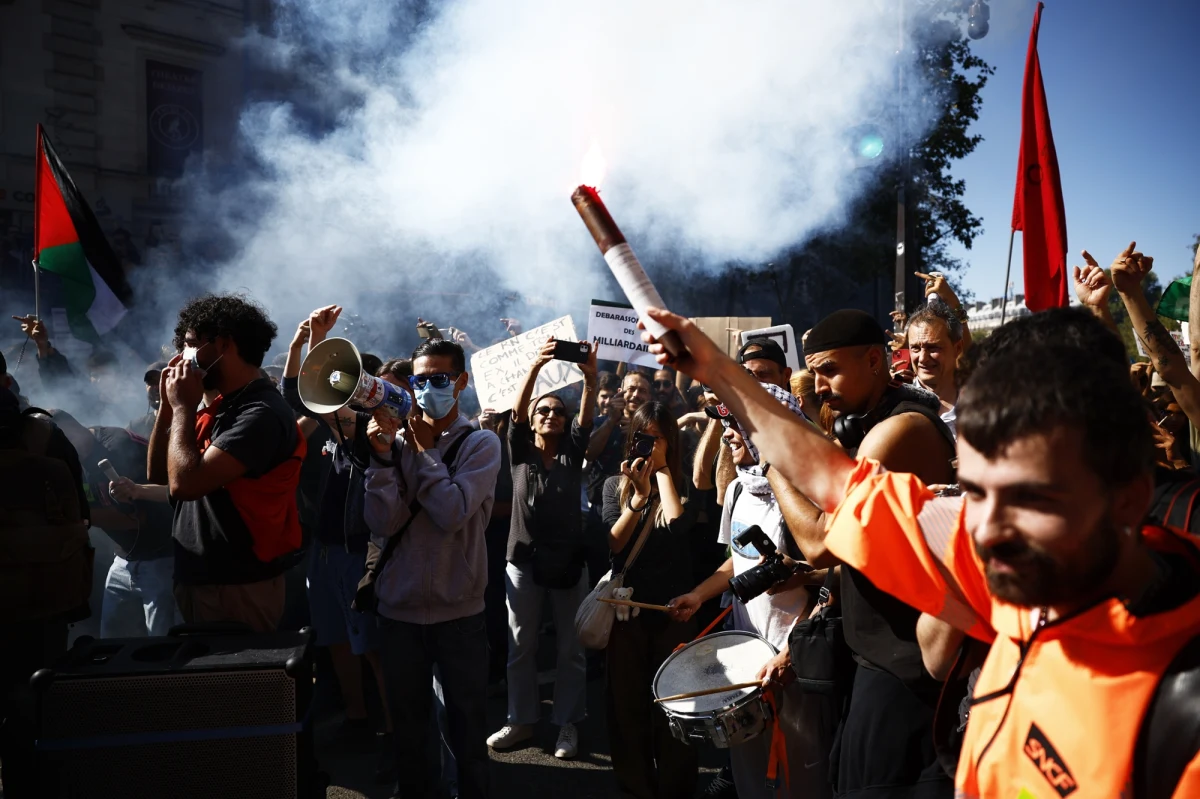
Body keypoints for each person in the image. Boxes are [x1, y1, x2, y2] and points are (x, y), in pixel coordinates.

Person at [638, 303, 1200, 799]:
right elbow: (831, 477)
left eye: (1031, 499)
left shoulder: (1179, 711)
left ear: (1127, 499)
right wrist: (715, 368)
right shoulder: (991, 550)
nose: (987, 528)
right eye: (974, 490)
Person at [657, 307, 958, 798]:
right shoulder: (859, 424)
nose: (818, 386)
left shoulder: (899, 430)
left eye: (830, 370)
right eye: (813, 372)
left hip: (906, 667)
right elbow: (853, 552)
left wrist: (766, 450)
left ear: (875, 361)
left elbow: (820, 540)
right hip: (871, 655)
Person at [668, 384, 833, 799]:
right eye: (726, 425)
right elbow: (735, 562)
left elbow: (834, 581)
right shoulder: (740, 488)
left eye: (737, 426)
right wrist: (699, 595)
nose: (727, 434)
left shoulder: (806, 496)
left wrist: (789, 655)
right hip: (747, 661)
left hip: (793, 664)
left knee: (802, 776)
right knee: (750, 775)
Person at [362, 337, 500, 799]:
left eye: (439, 379)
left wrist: (423, 454)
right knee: (411, 734)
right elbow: (382, 522)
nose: (427, 389)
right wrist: (382, 459)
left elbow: (452, 511)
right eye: (420, 380)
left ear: (460, 382)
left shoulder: (481, 443)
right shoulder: (398, 441)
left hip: (459, 614)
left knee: (466, 733)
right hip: (399, 615)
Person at [281, 305, 395, 776]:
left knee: (371, 647)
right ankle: (357, 717)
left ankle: (396, 733)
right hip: (323, 553)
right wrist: (301, 342)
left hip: (357, 554)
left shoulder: (376, 435)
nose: (334, 397)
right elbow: (294, 394)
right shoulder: (328, 427)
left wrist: (354, 421)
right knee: (335, 642)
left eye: (347, 386)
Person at [151, 293, 305, 633]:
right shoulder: (221, 406)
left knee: (238, 684)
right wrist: (167, 404)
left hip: (238, 585)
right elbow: (161, 475)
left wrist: (182, 409)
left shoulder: (260, 413)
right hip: (202, 577)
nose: (183, 356)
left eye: (191, 344)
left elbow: (185, 485)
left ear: (222, 343)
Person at [487, 338, 597, 760]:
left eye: (558, 411)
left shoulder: (572, 451)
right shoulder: (519, 452)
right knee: (521, 646)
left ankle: (566, 723)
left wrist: (590, 375)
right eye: (543, 411)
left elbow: (586, 415)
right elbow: (515, 413)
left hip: (569, 565)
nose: (551, 415)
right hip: (523, 563)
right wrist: (535, 365)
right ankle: (520, 720)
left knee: (571, 648)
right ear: (531, 421)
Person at [0, 350, 91, 799]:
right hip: (42, 604)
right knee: (32, 720)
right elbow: (82, 511)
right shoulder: (43, 433)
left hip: (37, 608)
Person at [601, 401, 697, 799]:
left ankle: (675, 789)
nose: (650, 446)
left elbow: (676, 524)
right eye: (643, 437)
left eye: (658, 438)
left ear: (671, 441)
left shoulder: (686, 483)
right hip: (627, 614)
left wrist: (660, 474)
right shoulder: (613, 485)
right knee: (627, 710)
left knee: (676, 708)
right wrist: (637, 498)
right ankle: (635, 787)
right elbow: (612, 545)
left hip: (675, 612)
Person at [49, 411, 178, 637]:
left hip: (162, 559)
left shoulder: (118, 448)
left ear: (72, 431)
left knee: (162, 640)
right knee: (112, 639)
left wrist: (76, 514)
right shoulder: (67, 459)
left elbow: (136, 521)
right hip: (123, 559)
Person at [906, 300, 965, 437]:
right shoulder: (893, 402)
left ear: (957, 348)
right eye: (915, 348)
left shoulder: (982, 404)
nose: (922, 358)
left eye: (933, 348)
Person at [130, 361, 166, 438]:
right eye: (151, 382)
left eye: (161, 381)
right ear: (146, 387)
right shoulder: (135, 427)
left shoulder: (187, 421)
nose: (156, 387)